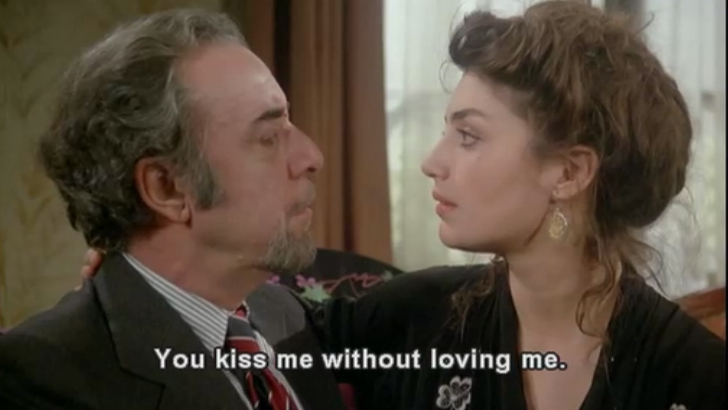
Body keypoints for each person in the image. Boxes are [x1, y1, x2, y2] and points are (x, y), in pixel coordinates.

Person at [80, 1, 725, 410]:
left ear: (569, 172)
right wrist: (158, 268)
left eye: (469, 136)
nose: (432, 161)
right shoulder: (415, 318)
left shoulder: (695, 376)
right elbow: (259, 326)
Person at [0, 9, 348, 410]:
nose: (311, 156)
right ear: (166, 187)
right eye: (268, 137)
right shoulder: (42, 378)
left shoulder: (279, 312)